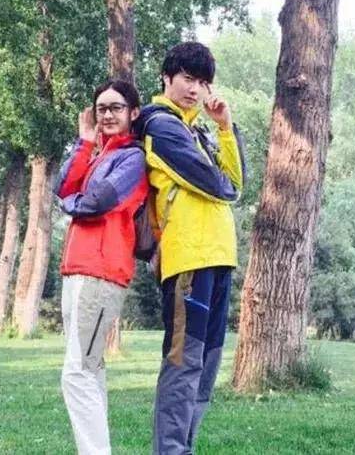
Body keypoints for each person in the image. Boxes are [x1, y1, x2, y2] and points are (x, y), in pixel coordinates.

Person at [134, 42, 245, 454]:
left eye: (203, 82)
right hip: (188, 258)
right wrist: (224, 182)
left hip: (219, 255)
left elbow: (237, 182)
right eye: (187, 78)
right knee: (184, 362)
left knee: (207, 365)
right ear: (167, 78)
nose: (195, 89)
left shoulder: (198, 129)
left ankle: (184, 448)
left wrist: (225, 128)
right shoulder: (160, 125)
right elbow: (220, 185)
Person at [55, 79, 148, 455]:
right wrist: (84, 141)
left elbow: (96, 202)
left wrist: (69, 204)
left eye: (116, 107)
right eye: (102, 108)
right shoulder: (98, 156)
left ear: (133, 113)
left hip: (100, 271)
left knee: (77, 372)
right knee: (88, 369)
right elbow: (63, 186)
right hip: (78, 269)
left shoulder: (132, 158)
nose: (108, 114)